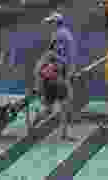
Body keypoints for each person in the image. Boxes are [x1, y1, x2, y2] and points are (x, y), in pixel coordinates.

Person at [36, 12, 78, 140]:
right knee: (64, 104)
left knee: (60, 105)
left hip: (57, 76)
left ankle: (40, 119)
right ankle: (63, 133)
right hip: (58, 77)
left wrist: (39, 81)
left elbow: (55, 58)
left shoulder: (58, 36)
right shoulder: (65, 34)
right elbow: (68, 56)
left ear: (55, 24)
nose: (48, 26)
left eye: (50, 23)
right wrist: (71, 71)